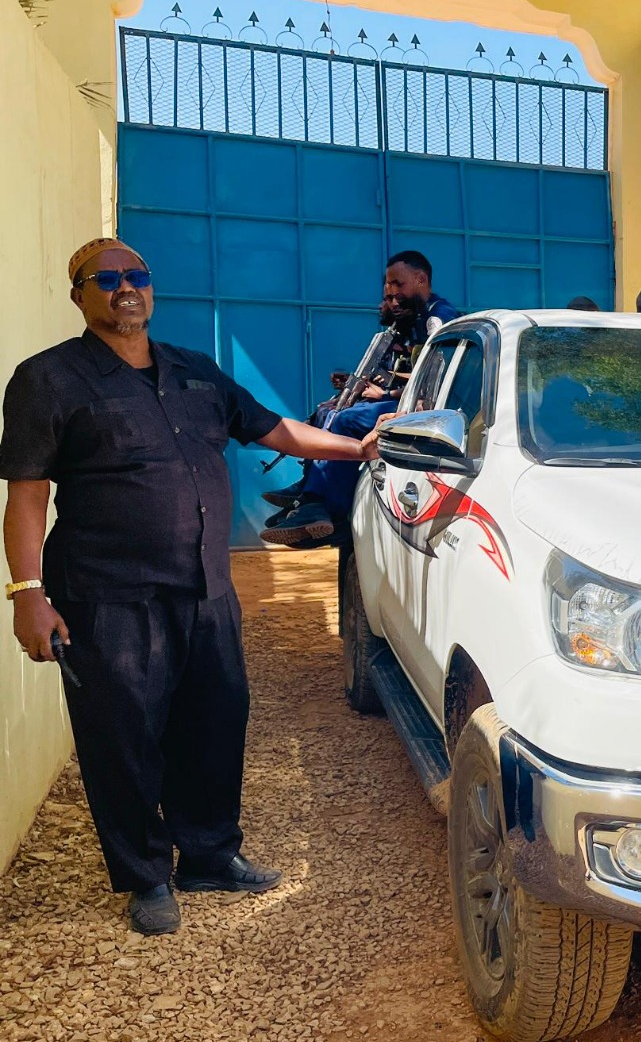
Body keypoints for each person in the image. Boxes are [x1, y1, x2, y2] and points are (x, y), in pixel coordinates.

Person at [0, 238, 380, 934]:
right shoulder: (47, 379)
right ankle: (145, 876)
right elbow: (26, 494)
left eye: (136, 275)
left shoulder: (195, 371)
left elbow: (277, 431)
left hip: (206, 589)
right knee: (123, 738)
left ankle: (209, 855)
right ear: (78, 294)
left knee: (214, 723)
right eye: (105, 278)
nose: (124, 287)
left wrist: (357, 448)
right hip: (108, 597)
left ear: (150, 286)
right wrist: (28, 592)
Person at [261, 253, 460, 545]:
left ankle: (324, 508)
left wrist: (385, 393)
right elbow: (405, 371)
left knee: (346, 419)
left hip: (429, 408)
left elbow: (438, 379)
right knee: (327, 411)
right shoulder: (412, 318)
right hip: (407, 399)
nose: (391, 294)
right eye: (388, 287)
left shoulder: (438, 319)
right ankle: (310, 492)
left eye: (398, 284)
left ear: (421, 279)